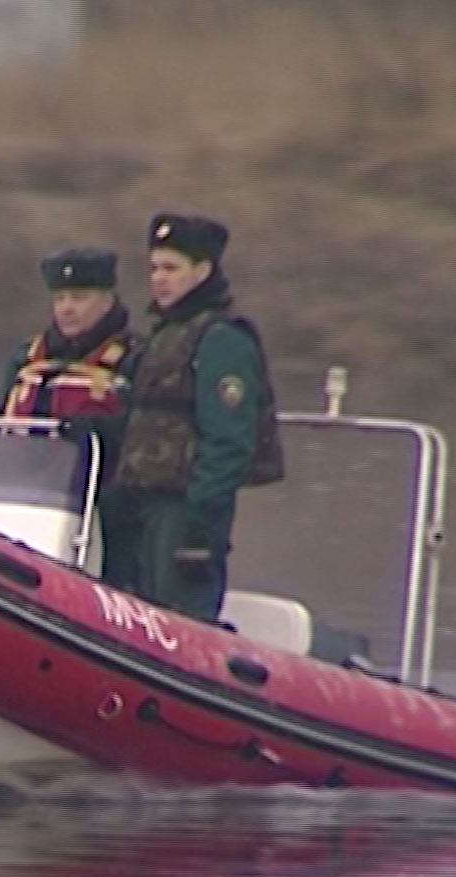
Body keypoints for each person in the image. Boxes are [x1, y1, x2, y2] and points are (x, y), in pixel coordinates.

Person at [104, 212, 284, 623]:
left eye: (171, 269)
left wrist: (199, 526)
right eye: (154, 268)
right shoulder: (162, 336)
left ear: (202, 271)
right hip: (141, 503)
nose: (159, 279)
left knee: (178, 618)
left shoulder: (223, 341)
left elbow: (229, 441)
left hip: (184, 509)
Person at [0, 245, 139, 577]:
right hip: (28, 494)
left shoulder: (134, 359)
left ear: (107, 299)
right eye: (60, 299)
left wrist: (96, 429)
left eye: (79, 298)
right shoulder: (26, 359)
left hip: (107, 503)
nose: (67, 309)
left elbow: (141, 429)